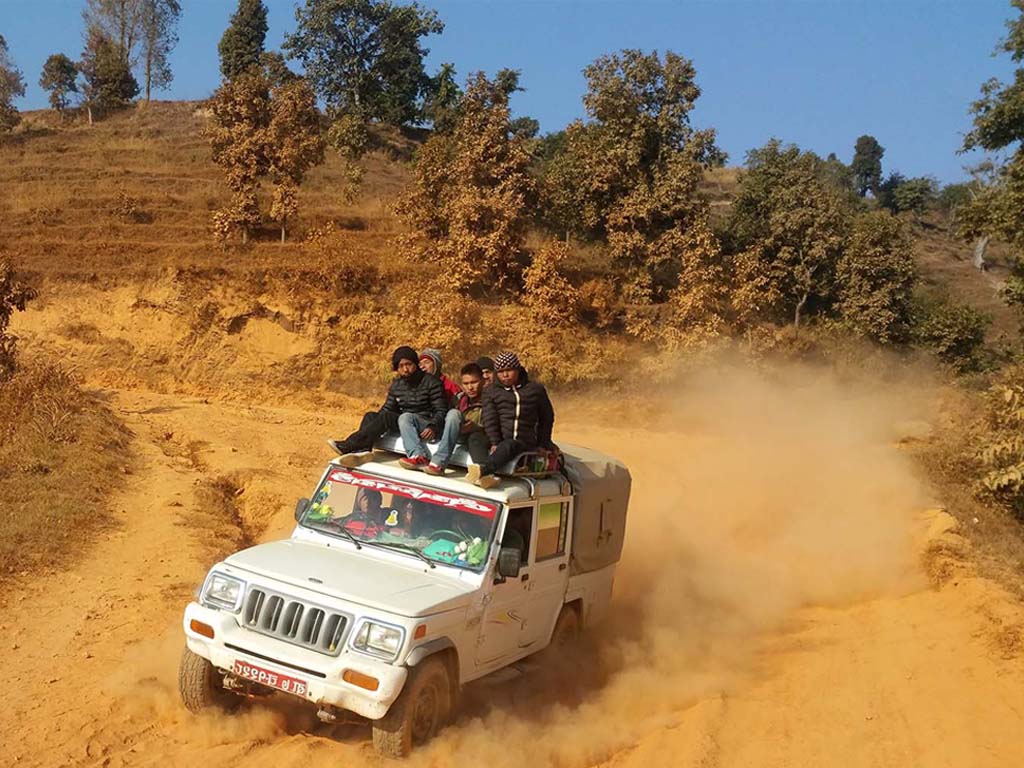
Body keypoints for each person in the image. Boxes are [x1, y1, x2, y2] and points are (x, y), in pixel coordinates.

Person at [327, 346, 447, 467]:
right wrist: (375, 422)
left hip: (424, 425)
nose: (405, 369)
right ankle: (363, 451)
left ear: (415, 364)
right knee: (371, 416)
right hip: (404, 423)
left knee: (387, 417)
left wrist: (433, 426)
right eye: (401, 366)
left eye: (409, 364)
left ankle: (350, 444)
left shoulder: (432, 382)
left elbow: (441, 410)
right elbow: (387, 408)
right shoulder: (397, 385)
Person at [468, 352, 556, 489]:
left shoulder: (535, 389)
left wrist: (543, 443)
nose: (505, 375)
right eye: (501, 371)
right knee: (475, 438)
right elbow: (490, 418)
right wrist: (494, 442)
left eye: (509, 370)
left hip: (523, 441)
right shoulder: (491, 391)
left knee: (510, 445)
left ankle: (483, 469)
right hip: (500, 439)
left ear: (518, 370)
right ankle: (485, 476)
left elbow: (547, 417)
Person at [425, 362, 489, 476]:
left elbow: (494, 427)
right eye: (466, 383)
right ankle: (438, 463)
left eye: (474, 382)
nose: (470, 387)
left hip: (479, 438)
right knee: (453, 413)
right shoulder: (459, 399)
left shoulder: (490, 401)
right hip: (456, 434)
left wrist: (476, 428)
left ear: (483, 381)